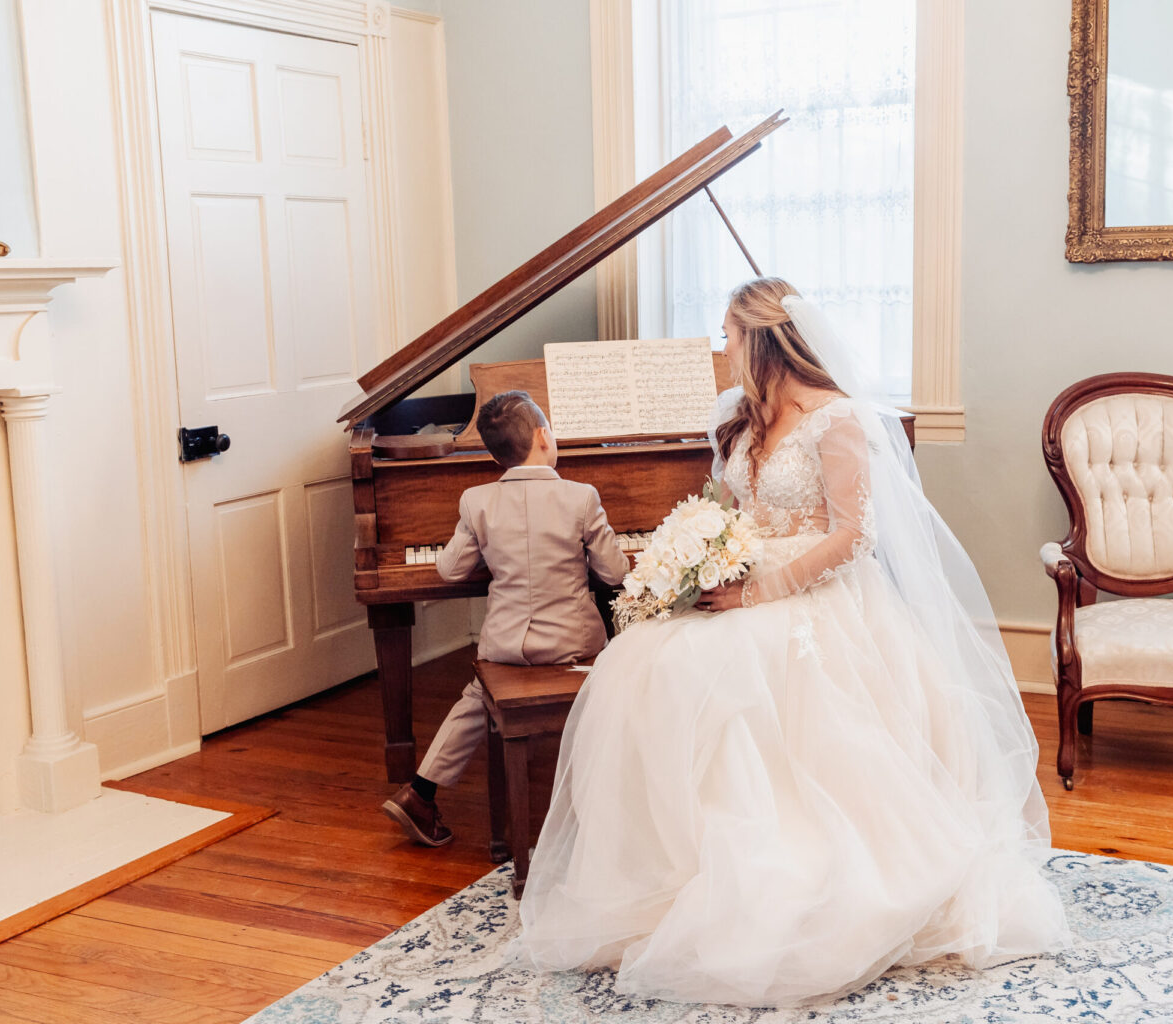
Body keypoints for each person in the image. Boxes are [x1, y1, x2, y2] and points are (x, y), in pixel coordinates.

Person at [515, 278, 1070, 1006]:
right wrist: (691, 562)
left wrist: (757, 590)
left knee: (726, 673)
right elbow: (722, 508)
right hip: (740, 579)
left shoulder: (835, 419)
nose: (722, 347)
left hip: (814, 597)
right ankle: (669, 874)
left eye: (728, 335)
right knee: (643, 665)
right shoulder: (738, 416)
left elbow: (853, 534)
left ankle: (780, 873)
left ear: (762, 339)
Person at [380, 390, 630, 847]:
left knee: (478, 695)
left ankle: (421, 791)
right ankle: (609, 804)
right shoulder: (581, 497)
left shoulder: (477, 501)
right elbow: (614, 572)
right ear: (543, 437)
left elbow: (450, 569)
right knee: (622, 675)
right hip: (573, 646)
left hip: (506, 646)